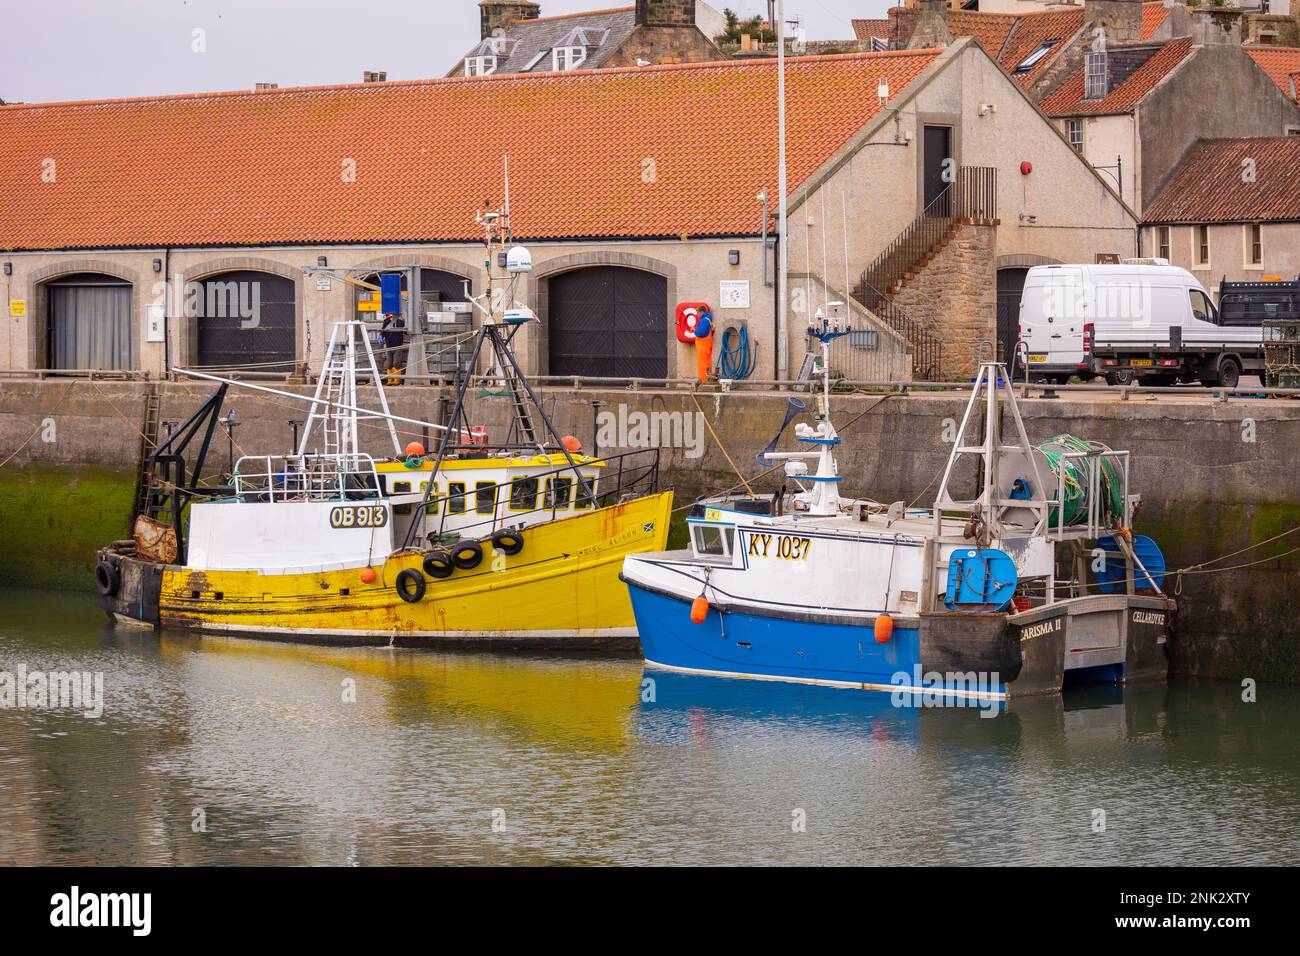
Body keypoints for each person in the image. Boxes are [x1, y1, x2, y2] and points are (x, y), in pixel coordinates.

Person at [379, 313, 407, 385]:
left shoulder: (400, 322)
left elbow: (406, 331)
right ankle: (390, 380)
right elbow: (383, 331)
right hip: (389, 346)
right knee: (388, 364)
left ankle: (397, 381)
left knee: (396, 363)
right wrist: (381, 336)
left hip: (398, 346)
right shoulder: (386, 322)